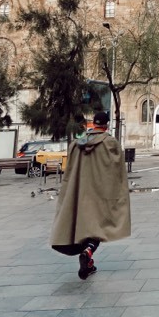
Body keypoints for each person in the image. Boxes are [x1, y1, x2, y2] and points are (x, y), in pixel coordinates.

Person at [50, 111, 131, 280]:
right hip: (99, 194)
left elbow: (70, 171)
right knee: (98, 228)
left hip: (79, 195)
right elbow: (116, 171)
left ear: (93, 123)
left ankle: (88, 261)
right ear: (107, 125)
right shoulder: (110, 143)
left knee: (85, 227)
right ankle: (88, 252)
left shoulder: (76, 144)